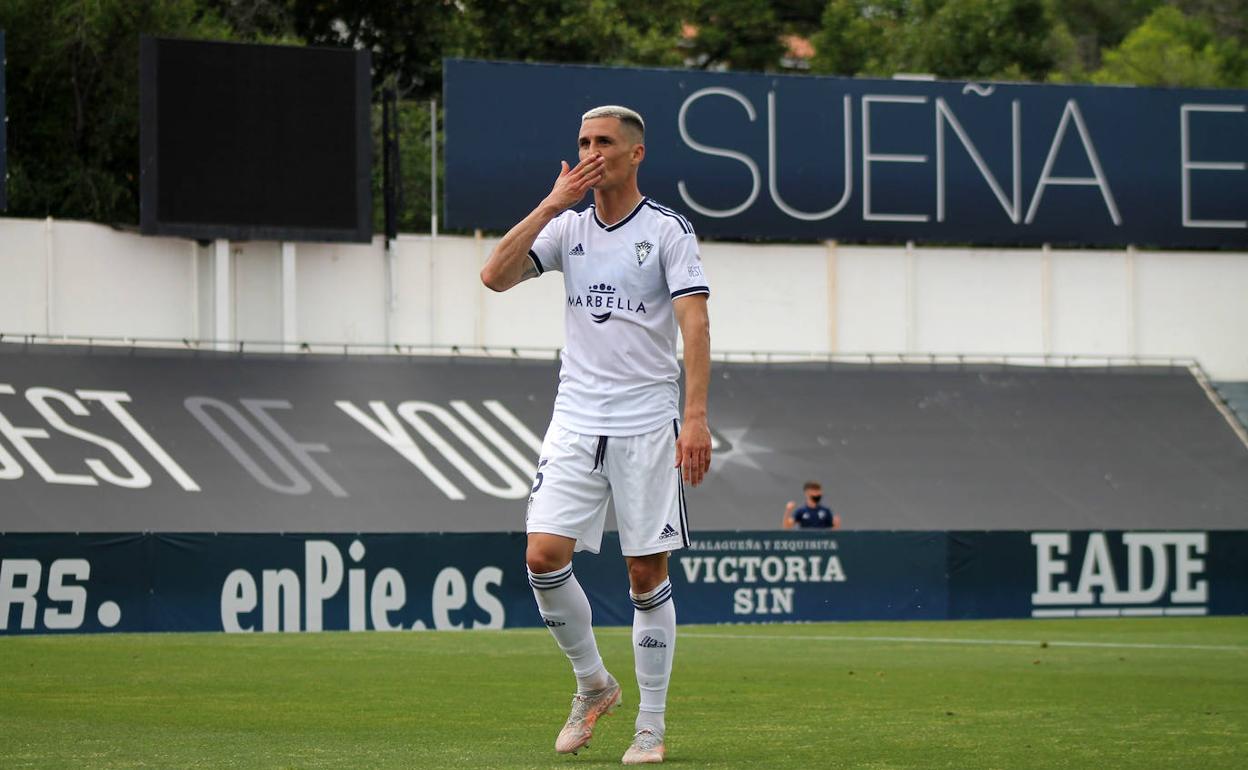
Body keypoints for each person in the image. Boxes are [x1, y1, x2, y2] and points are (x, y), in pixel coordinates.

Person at [480, 105, 712, 765]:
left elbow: (694, 325)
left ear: (635, 153)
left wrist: (694, 417)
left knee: (644, 573)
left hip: (647, 420)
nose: (591, 151)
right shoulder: (568, 227)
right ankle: (593, 685)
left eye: (603, 142)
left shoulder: (668, 231)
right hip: (577, 417)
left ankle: (651, 727)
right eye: (583, 140)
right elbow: (494, 275)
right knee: (542, 556)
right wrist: (551, 203)